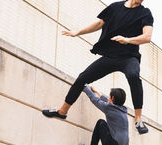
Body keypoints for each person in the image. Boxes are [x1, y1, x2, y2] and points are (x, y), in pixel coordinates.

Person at [42, 0, 154, 134]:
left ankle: (138, 119)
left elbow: (147, 37)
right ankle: (62, 111)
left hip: (129, 57)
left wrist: (127, 40)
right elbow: (100, 23)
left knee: (133, 75)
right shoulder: (115, 7)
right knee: (82, 78)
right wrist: (78, 32)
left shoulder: (145, 13)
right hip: (110, 56)